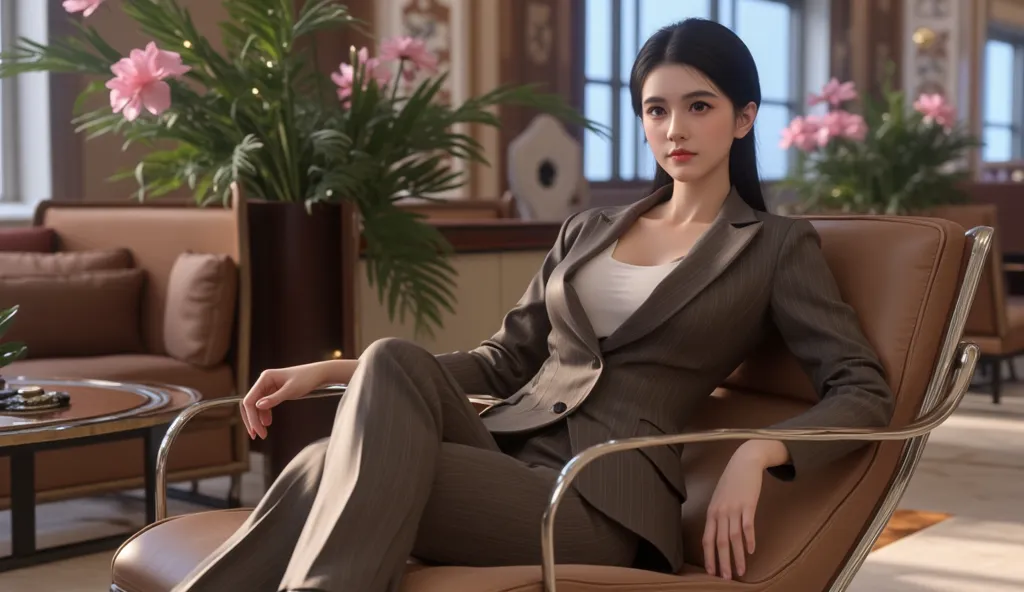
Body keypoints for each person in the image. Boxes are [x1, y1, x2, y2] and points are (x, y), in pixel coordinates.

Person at [173, 17, 893, 592]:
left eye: (698, 107)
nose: (675, 129)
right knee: (388, 362)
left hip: (600, 499)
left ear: (742, 119)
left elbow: (861, 388)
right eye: (656, 109)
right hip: (506, 452)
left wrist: (761, 449)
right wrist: (330, 372)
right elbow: (506, 357)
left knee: (330, 465)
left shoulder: (771, 246)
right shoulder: (589, 229)